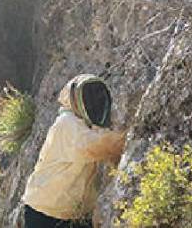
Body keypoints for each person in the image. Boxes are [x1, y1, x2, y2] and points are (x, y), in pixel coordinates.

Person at [21, 75, 125, 228]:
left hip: (74, 213)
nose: (95, 103)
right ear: (76, 99)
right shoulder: (66, 123)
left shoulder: (87, 126)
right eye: (90, 98)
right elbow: (95, 146)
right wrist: (131, 137)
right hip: (45, 213)